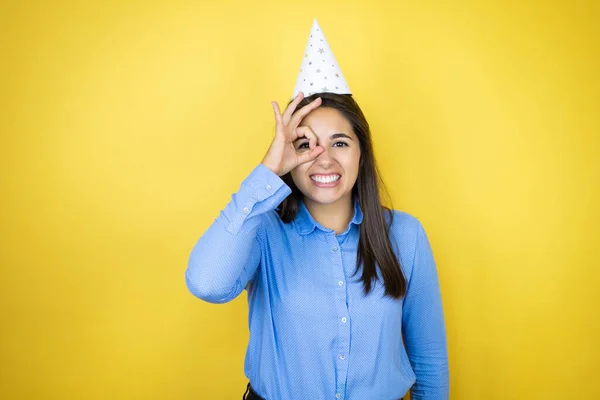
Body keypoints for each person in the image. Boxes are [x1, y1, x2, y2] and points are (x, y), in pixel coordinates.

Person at [186, 19, 449, 400]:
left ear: (361, 152)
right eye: (306, 145)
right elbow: (207, 283)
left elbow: (429, 360)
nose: (324, 159)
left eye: (339, 143)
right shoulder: (262, 232)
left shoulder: (405, 236)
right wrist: (268, 171)